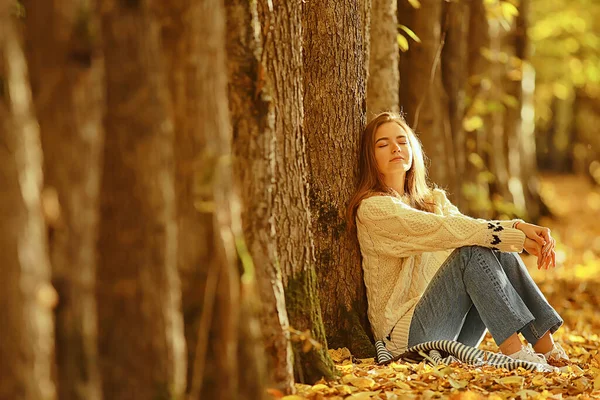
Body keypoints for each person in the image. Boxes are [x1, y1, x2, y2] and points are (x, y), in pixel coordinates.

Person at [347, 112, 568, 369]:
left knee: (490, 243)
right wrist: (517, 229)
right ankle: (515, 354)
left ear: (412, 149)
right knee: (474, 249)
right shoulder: (374, 209)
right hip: (408, 341)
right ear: (369, 157)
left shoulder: (433, 201)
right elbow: (445, 229)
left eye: (402, 141)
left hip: (451, 333)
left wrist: (518, 235)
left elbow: (470, 228)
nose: (395, 148)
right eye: (382, 144)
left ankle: (549, 351)